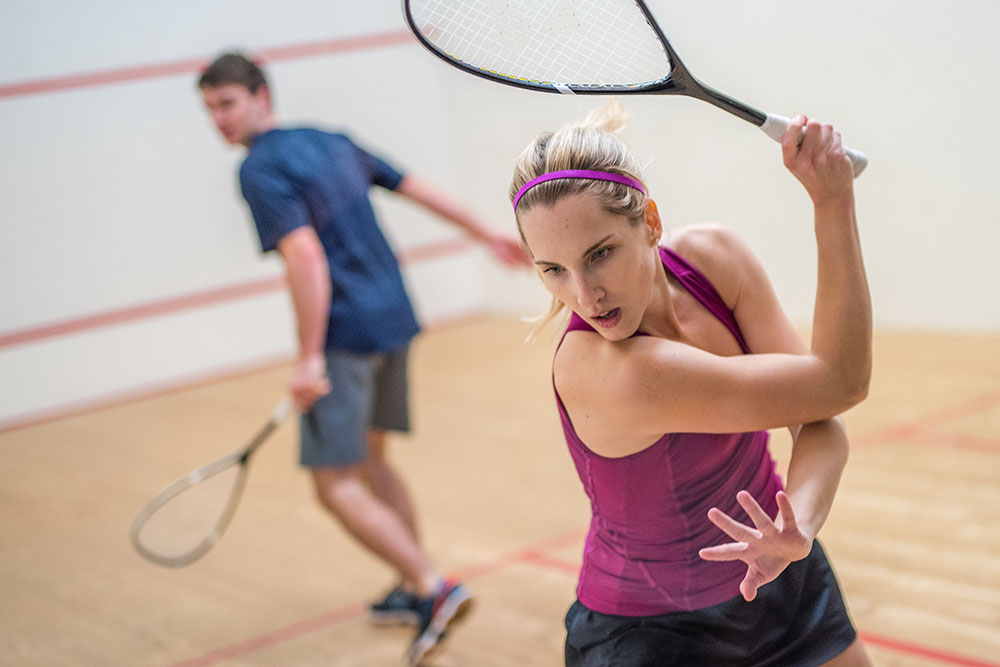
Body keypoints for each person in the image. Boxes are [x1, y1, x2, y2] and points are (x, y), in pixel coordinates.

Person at [508, 102, 874, 666]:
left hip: (778, 576)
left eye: (599, 254)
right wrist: (833, 200)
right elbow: (839, 383)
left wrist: (793, 527)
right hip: (650, 635)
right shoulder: (614, 371)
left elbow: (821, 421)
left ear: (650, 223)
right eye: (553, 269)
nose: (585, 295)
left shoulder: (715, 259)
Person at [197, 52, 529, 666]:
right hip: (395, 318)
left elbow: (306, 259)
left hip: (347, 334)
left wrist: (306, 359)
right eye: (210, 109)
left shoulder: (260, 170)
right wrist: (485, 233)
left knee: (335, 484)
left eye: (227, 103)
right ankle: (414, 583)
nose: (219, 119)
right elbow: (416, 186)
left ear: (261, 96)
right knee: (374, 460)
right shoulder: (330, 141)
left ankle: (433, 587)